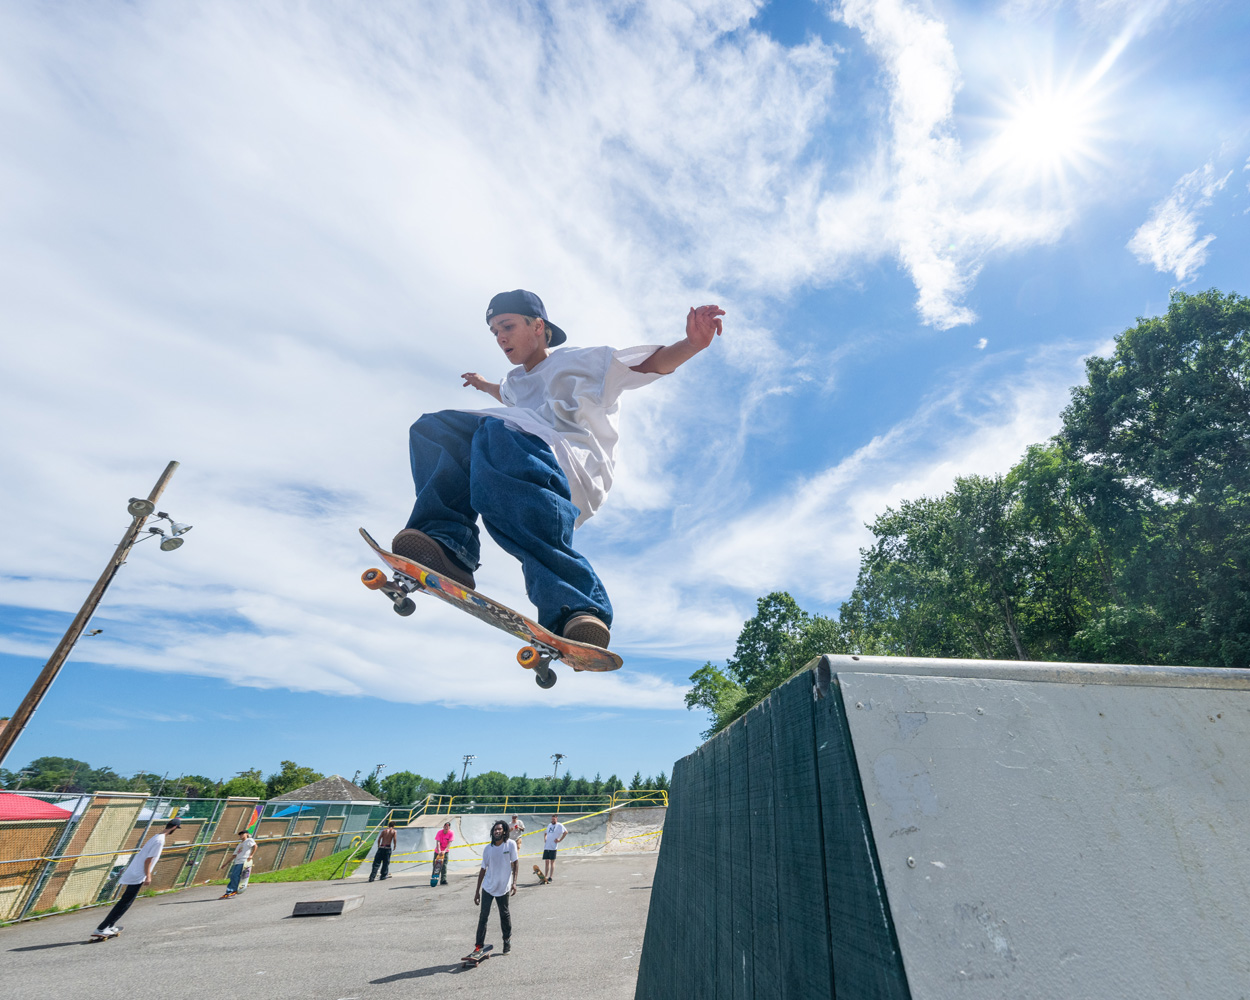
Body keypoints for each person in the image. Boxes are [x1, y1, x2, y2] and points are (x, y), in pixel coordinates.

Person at [393, 290, 725, 649]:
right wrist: (482, 383)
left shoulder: (583, 362)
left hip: (570, 468)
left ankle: (581, 603)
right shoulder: (515, 382)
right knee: (435, 429)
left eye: (507, 326)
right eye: (494, 332)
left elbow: (647, 365)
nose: (500, 337)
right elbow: (506, 394)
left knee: (496, 429)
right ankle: (447, 546)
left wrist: (692, 344)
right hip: (518, 457)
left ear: (539, 327)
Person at [90, 817, 180, 939]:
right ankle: (102, 928)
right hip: (138, 874)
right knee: (125, 903)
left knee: (125, 901)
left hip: (135, 872)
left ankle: (110, 925)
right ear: (174, 827)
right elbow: (148, 860)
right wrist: (148, 876)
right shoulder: (160, 841)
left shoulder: (156, 837)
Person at [469, 820, 518, 958]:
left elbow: (516, 863)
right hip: (488, 887)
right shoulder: (488, 849)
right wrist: (477, 891)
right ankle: (478, 946)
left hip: (503, 887)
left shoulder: (510, 844)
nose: (497, 831)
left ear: (504, 831)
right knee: (483, 916)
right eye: (495, 830)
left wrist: (514, 883)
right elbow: (483, 869)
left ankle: (507, 941)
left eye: (499, 829)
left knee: (504, 914)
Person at [220, 827, 257, 898]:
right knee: (233, 876)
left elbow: (255, 846)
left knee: (235, 875)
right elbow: (234, 855)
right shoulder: (239, 845)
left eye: (243, 834)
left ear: (247, 834)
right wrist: (226, 863)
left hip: (244, 861)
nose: (241, 835)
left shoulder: (249, 840)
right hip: (237, 862)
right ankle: (229, 891)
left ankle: (233, 890)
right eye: (240, 834)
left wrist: (251, 855)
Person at [542, 813, 567, 883]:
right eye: (552, 819)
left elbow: (565, 832)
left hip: (553, 847)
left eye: (554, 819)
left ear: (556, 819)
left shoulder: (559, 825)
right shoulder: (549, 825)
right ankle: (546, 876)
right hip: (547, 846)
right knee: (546, 861)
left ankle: (550, 877)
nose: (553, 820)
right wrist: (545, 838)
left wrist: (560, 840)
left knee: (552, 861)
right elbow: (545, 833)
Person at [433, 821, 454, 886]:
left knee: (444, 865)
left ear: (449, 828)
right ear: (443, 827)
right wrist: (439, 850)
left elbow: (449, 843)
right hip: (438, 851)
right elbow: (438, 842)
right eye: (445, 827)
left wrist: (444, 851)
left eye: (447, 827)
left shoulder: (451, 833)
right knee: (436, 865)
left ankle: (443, 880)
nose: (446, 828)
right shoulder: (439, 832)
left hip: (445, 851)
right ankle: (434, 878)